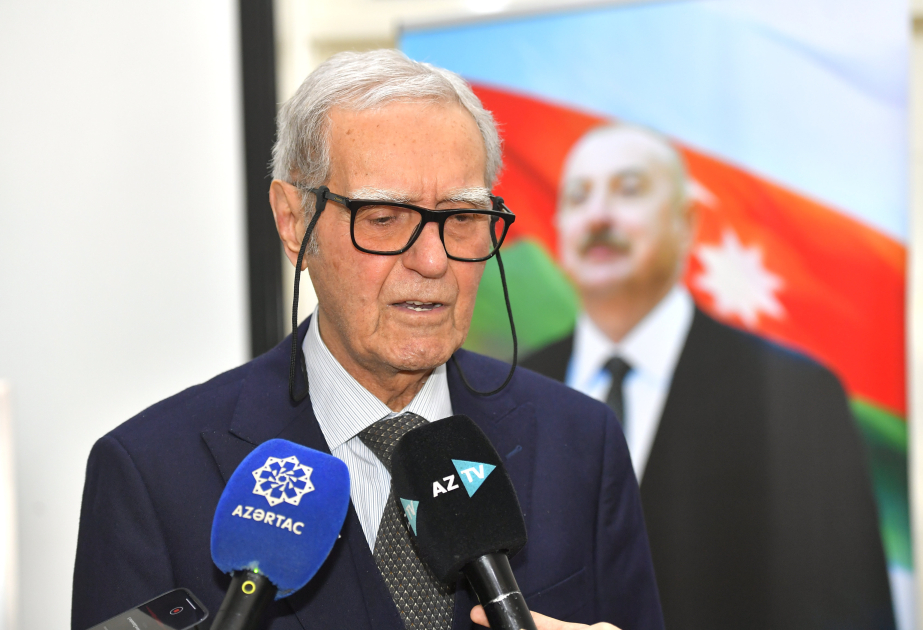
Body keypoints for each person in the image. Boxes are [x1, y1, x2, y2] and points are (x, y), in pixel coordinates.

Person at [71, 51, 662, 630]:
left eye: (461, 217)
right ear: (293, 221)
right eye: (383, 218)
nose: (432, 261)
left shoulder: (580, 443)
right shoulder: (152, 474)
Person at [521, 124, 895, 629]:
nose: (599, 215)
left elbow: (852, 612)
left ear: (687, 221)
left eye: (628, 190)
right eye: (577, 197)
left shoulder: (794, 396)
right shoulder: (511, 387)